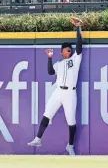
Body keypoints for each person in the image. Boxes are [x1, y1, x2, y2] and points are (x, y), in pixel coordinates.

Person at [27, 17, 83, 156]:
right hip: (58, 92)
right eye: (67, 50)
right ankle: (38, 139)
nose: (69, 51)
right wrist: (50, 58)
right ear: (62, 52)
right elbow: (51, 71)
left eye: (70, 50)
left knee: (71, 121)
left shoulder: (75, 60)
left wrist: (78, 28)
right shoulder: (58, 63)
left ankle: (70, 146)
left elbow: (80, 45)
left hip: (70, 93)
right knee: (47, 114)